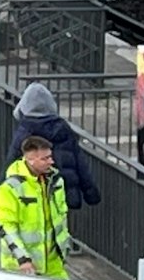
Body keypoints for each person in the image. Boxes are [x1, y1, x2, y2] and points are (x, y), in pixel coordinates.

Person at [7, 83, 100, 211]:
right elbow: (81, 164)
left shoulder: (25, 132)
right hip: (63, 192)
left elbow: (11, 163)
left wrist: (2, 190)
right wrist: (91, 193)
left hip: (33, 195)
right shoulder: (64, 130)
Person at [0, 135, 71, 279]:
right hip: (22, 267)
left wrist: (64, 248)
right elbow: (7, 227)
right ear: (30, 160)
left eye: (50, 157)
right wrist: (22, 258)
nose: (51, 161)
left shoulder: (56, 181)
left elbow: (61, 218)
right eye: (45, 159)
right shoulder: (10, 188)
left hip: (54, 264)